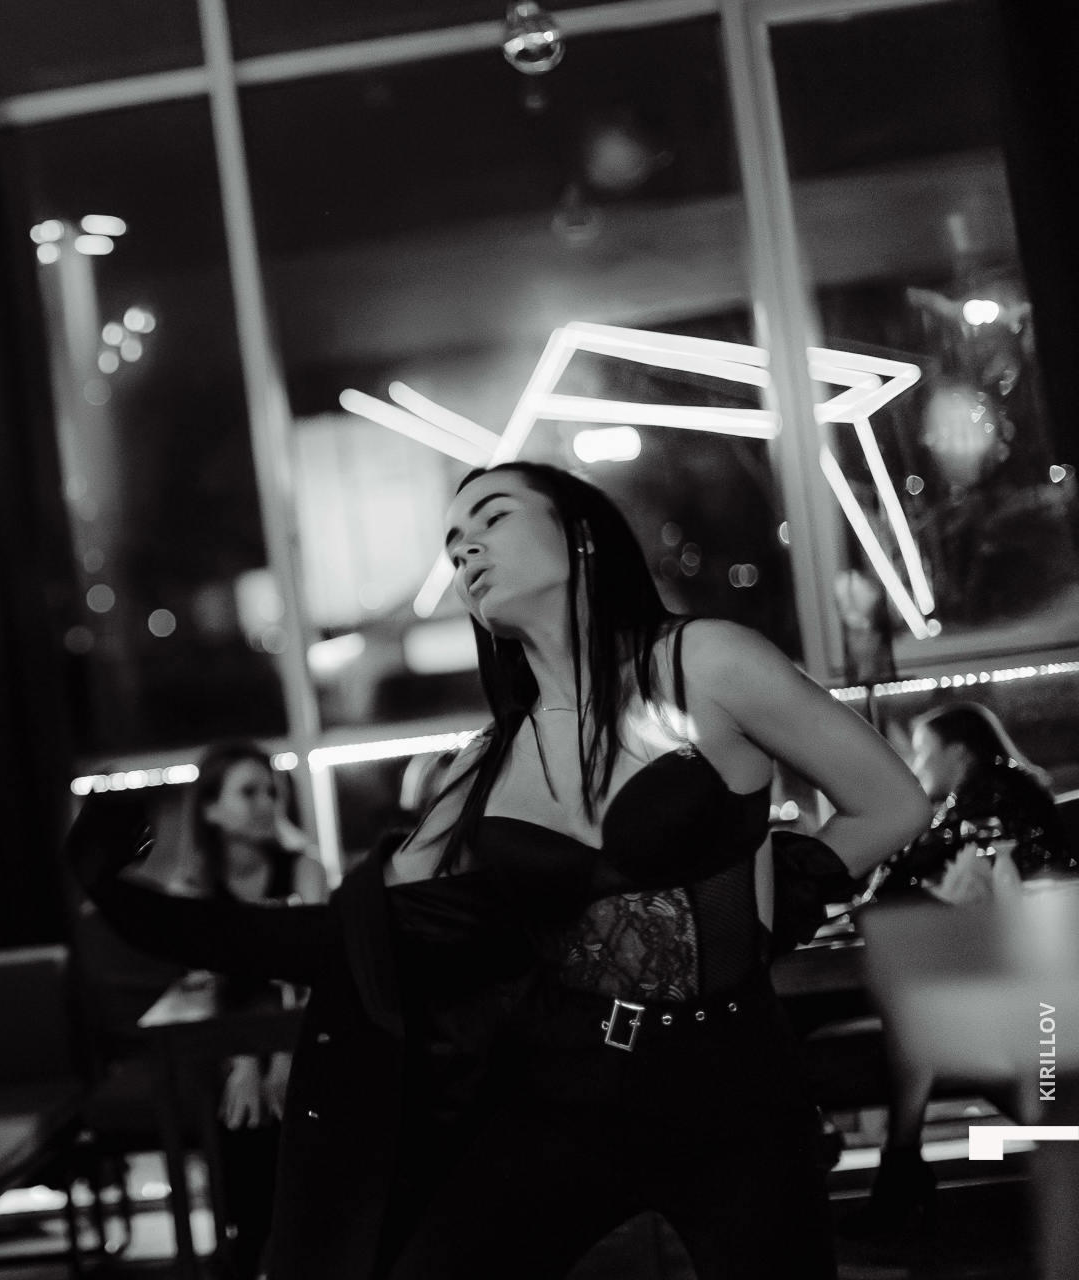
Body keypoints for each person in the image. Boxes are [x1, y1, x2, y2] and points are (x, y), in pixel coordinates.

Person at [67, 461, 931, 1280]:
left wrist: (769, 906)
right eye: (452, 545)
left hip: (732, 1084)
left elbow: (892, 803)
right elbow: (359, 936)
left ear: (580, 536)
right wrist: (129, 903)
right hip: (566, 1085)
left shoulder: (704, 662)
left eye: (492, 518)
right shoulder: (486, 764)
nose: (465, 549)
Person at [846, 701, 1079, 1234]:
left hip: (1034, 963)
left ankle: (902, 1173)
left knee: (921, 1022)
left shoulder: (988, 794)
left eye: (923, 753)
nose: (917, 766)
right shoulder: (1000, 790)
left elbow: (905, 873)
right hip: (1036, 953)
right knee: (918, 1019)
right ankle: (902, 1169)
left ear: (958, 752)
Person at [176, 742, 326, 1279]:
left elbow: (313, 976)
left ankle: (271, 1247)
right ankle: (256, 1244)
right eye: (248, 792)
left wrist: (282, 1054)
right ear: (210, 809)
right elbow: (205, 989)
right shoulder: (192, 888)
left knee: (291, 1092)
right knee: (234, 1094)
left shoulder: (304, 870)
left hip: (302, 1035)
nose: (266, 803)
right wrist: (242, 1057)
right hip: (231, 1046)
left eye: (271, 792)